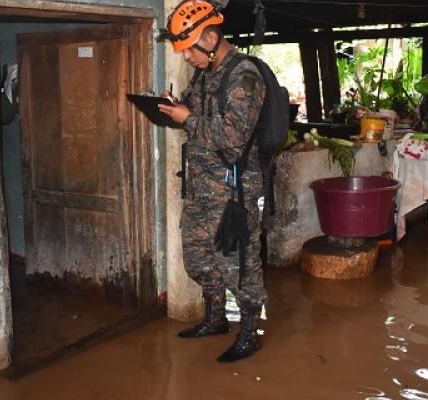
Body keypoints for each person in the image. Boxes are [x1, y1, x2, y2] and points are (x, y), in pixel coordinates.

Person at [158, 0, 267, 363]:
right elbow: (191, 108)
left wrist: (186, 118)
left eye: (188, 50)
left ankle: (250, 333)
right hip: (201, 186)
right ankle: (216, 319)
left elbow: (233, 137)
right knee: (198, 258)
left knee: (238, 264)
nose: (187, 58)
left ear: (210, 36)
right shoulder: (205, 74)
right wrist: (174, 105)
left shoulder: (244, 76)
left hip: (232, 189)